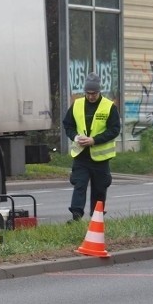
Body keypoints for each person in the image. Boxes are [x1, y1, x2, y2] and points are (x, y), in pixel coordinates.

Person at [62, 72, 121, 223]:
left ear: (99, 91)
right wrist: (75, 137)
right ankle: (76, 215)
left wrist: (94, 140)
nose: (91, 97)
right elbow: (68, 124)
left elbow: (114, 130)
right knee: (79, 184)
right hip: (81, 155)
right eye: (88, 93)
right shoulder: (77, 104)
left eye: (93, 93)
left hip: (100, 158)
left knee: (100, 188)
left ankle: (97, 217)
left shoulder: (109, 106)